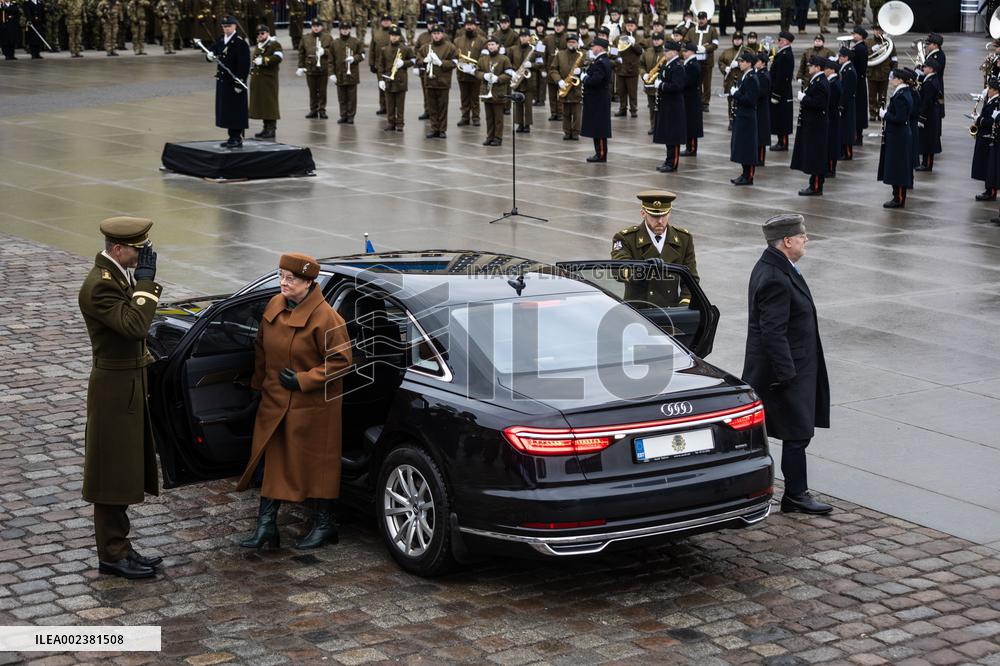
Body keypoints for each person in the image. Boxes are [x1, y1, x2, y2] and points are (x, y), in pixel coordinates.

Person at [236, 253, 352, 551]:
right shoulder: (275, 304)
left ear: (309, 283)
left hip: (312, 406)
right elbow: (261, 347)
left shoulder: (327, 318)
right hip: (275, 399)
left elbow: (341, 361)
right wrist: (257, 384)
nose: (283, 283)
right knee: (272, 458)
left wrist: (304, 380)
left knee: (316, 466)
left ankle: (325, 525)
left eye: (291, 279)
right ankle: (266, 526)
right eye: (281, 277)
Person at [78, 217, 165, 579]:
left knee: (124, 468)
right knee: (111, 473)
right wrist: (146, 282)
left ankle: (121, 547)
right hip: (114, 390)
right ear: (117, 248)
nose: (141, 255)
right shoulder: (100, 286)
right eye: (136, 249)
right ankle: (112, 555)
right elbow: (134, 325)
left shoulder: (116, 276)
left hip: (126, 383)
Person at [743, 214, 831, 516]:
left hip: (792, 368)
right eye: (802, 235)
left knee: (796, 432)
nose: (806, 239)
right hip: (785, 374)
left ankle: (793, 491)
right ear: (787, 241)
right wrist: (788, 376)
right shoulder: (775, 277)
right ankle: (795, 494)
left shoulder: (778, 267)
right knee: (796, 434)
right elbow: (773, 332)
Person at [611, 190, 698, 307]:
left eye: (664, 215)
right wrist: (643, 270)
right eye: (654, 216)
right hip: (639, 311)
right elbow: (619, 270)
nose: (660, 221)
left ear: (670, 213)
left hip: (669, 312)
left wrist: (684, 306)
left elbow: (691, 278)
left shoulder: (683, 239)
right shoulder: (626, 238)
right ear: (643, 213)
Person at [207, 16, 250, 147]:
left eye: (229, 26)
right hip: (223, 81)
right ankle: (231, 136)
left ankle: (237, 137)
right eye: (224, 27)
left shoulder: (240, 43)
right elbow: (213, 49)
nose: (226, 29)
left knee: (236, 110)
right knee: (226, 110)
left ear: (235, 26)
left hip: (234, 82)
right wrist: (209, 55)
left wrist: (240, 82)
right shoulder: (221, 40)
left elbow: (244, 65)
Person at [790, 55, 830, 196]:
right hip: (813, 124)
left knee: (816, 156)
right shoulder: (817, 80)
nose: (809, 67)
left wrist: (804, 98)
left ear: (817, 67)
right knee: (813, 155)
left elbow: (820, 103)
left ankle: (816, 186)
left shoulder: (821, 82)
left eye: (811, 65)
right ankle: (813, 184)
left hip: (817, 125)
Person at [877, 68, 915, 208]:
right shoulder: (902, 93)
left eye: (893, 78)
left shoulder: (901, 96)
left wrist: (885, 115)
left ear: (900, 80)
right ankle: (897, 196)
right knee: (897, 166)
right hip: (898, 135)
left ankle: (898, 198)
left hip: (899, 136)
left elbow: (900, 118)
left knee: (898, 168)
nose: (891, 80)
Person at [649, 39, 683, 172]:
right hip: (667, 104)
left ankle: (672, 163)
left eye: (667, 51)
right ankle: (668, 160)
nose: (665, 53)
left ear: (674, 52)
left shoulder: (678, 66)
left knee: (673, 136)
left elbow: (677, 86)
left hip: (674, 106)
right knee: (668, 134)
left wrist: (661, 85)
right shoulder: (668, 64)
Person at [419, 24, 458, 138]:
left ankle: (442, 129)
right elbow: (418, 58)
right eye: (434, 34)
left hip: (443, 82)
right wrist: (424, 61)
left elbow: (455, 62)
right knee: (432, 108)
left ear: (442, 34)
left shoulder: (450, 47)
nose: (436, 36)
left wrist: (441, 63)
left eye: (438, 33)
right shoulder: (426, 47)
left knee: (442, 107)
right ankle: (434, 128)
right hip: (429, 82)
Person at [582, 35, 613, 162]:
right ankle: (598, 153)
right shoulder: (600, 60)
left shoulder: (601, 62)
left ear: (599, 48)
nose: (592, 48)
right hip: (597, 99)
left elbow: (595, 80)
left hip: (598, 99)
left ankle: (601, 154)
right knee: (596, 127)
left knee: (599, 129)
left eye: (594, 46)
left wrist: (584, 78)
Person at [476, 36, 512, 146]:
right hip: (487, 92)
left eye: (493, 44)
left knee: (498, 118)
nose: (491, 47)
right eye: (489, 45)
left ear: (498, 45)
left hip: (499, 91)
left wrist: (499, 78)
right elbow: (477, 72)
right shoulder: (483, 59)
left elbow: (509, 74)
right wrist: (484, 76)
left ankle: (498, 137)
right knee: (489, 117)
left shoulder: (504, 59)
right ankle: (489, 136)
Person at [248, 24, 282, 139]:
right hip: (259, 80)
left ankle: (271, 129)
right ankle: (265, 128)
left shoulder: (274, 44)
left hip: (269, 80)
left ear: (268, 33)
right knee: (263, 105)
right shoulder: (260, 44)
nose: (260, 35)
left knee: (270, 104)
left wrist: (263, 60)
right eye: (258, 34)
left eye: (262, 33)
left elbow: (278, 57)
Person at [729, 51, 758, 185]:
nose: (740, 63)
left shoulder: (752, 78)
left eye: (742, 61)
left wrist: (736, 95)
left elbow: (750, 100)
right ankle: (744, 173)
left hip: (747, 117)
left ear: (749, 63)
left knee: (747, 147)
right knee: (742, 146)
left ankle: (749, 176)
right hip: (742, 115)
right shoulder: (745, 76)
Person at [297, 21, 334, 120]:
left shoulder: (328, 37)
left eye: (318, 26)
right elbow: (301, 53)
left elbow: (333, 51)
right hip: (310, 68)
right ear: (311, 27)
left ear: (321, 27)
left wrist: (324, 51)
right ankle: (313, 110)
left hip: (323, 68)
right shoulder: (306, 38)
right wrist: (300, 66)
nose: (316, 28)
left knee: (322, 91)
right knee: (312, 91)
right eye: (314, 26)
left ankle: (322, 110)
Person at [551, 32, 584, 141]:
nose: (571, 44)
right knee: (565, 112)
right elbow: (553, 69)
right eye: (569, 42)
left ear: (577, 43)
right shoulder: (560, 54)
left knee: (577, 113)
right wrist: (558, 80)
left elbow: (589, 67)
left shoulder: (581, 54)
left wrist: (582, 71)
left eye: (574, 42)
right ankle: (567, 131)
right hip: (564, 86)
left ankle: (575, 132)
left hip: (577, 88)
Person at [455, 16, 487, 127]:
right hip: (462, 73)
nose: (469, 27)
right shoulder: (458, 40)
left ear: (475, 26)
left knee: (475, 97)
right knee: (464, 97)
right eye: (467, 25)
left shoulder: (482, 40)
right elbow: (455, 55)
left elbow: (484, 57)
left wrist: (476, 67)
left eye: (471, 24)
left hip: (475, 74)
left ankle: (476, 117)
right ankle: (465, 117)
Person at [972, 78, 1000, 202]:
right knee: (986, 164)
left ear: (995, 90)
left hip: (990, 137)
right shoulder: (990, 100)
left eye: (989, 88)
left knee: (991, 166)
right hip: (984, 136)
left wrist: (979, 120)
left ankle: (991, 191)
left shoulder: (997, 103)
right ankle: (988, 189)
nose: (987, 90)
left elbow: (993, 121)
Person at [330, 21, 364, 124]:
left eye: (347, 29)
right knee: (342, 97)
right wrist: (331, 73)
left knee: (352, 98)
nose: (345, 30)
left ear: (350, 29)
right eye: (343, 29)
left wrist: (354, 58)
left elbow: (362, 55)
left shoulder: (356, 42)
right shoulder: (334, 43)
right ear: (340, 30)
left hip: (352, 74)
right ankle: (343, 115)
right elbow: (330, 60)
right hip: (339, 74)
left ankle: (351, 116)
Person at [685, 11, 718, 111]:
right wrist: (695, 47)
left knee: (707, 83)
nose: (701, 20)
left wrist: (706, 48)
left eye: (703, 18)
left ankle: (705, 103)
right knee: (696, 82)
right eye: (699, 18)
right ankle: (698, 101)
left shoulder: (712, 30)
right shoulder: (691, 30)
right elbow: (686, 41)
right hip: (695, 60)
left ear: (706, 19)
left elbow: (715, 44)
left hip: (707, 61)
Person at [915, 58, 943, 172]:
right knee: (926, 139)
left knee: (929, 140)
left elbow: (926, 101)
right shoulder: (931, 78)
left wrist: (921, 116)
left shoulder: (930, 83)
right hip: (931, 114)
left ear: (931, 69)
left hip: (929, 115)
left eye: (925, 67)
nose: (923, 68)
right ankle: (925, 162)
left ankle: (927, 164)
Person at [770, 31, 794, 151]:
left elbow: (782, 77)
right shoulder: (782, 54)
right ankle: (780, 141)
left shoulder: (786, 55)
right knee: (779, 117)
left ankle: (783, 143)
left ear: (786, 42)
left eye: (780, 40)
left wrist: (776, 94)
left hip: (782, 92)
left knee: (783, 118)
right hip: (780, 90)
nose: (778, 42)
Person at [613, 16, 641, 118]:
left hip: (632, 69)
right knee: (621, 91)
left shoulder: (638, 38)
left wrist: (633, 43)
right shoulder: (620, 37)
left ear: (635, 26)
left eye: (632, 25)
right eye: (628, 25)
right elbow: (613, 49)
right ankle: (622, 109)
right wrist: (616, 57)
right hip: (621, 69)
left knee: (632, 91)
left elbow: (640, 51)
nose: (629, 27)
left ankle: (633, 110)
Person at [508, 29, 535, 134]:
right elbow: (508, 62)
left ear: (529, 37)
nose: (524, 38)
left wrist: (532, 65)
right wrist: (511, 71)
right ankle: (519, 124)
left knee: (528, 104)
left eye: (526, 36)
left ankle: (527, 124)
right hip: (517, 78)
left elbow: (541, 63)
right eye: (522, 36)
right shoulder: (513, 49)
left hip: (528, 80)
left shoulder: (534, 49)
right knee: (518, 103)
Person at [866, 23, 894, 121]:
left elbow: (894, 58)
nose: (878, 32)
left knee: (883, 96)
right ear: (873, 31)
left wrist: (893, 71)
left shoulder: (888, 42)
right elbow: (864, 55)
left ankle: (881, 112)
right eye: (876, 30)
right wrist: (871, 50)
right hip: (872, 72)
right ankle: (873, 113)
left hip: (884, 72)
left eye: (879, 30)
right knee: (872, 95)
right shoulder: (868, 42)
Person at [543, 18, 569, 121]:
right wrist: (543, 68)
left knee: (561, 93)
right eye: (556, 25)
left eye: (560, 25)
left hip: (562, 69)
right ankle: (553, 112)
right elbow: (543, 54)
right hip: (551, 69)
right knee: (552, 94)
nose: (558, 27)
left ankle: (561, 112)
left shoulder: (567, 38)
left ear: (563, 26)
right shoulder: (548, 38)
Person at [368, 14, 393, 116]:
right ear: (381, 22)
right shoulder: (376, 33)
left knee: (392, 87)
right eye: (384, 20)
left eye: (388, 20)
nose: (386, 22)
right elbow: (372, 50)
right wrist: (371, 64)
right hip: (380, 65)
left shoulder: (395, 32)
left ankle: (391, 107)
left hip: (392, 65)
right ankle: (383, 106)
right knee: (382, 87)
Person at [640, 32, 664, 135]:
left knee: (663, 107)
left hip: (662, 85)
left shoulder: (665, 52)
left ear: (662, 40)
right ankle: (653, 126)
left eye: (658, 39)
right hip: (650, 85)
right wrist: (643, 74)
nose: (656, 41)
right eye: (654, 39)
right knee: (652, 107)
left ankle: (663, 126)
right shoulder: (647, 52)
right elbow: (641, 65)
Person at [680, 41, 702, 156]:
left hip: (691, 98)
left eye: (685, 51)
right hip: (688, 98)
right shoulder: (689, 63)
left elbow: (688, 82)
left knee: (692, 124)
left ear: (692, 52)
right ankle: (689, 147)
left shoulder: (693, 65)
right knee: (688, 123)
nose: (683, 53)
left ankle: (692, 148)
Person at [719, 31, 744, 130]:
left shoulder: (746, 51)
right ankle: (731, 121)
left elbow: (752, 61)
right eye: (736, 39)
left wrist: (738, 64)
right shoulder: (726, 51)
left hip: (741, 79)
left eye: (739, 39)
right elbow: (720, 61)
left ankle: (740, 120)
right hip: (730, 80)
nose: (737, 41)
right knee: (731, 101)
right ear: (732, 40)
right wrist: (724, 68)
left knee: (741, 101)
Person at [837, 47, 857, 160]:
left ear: (846, 58)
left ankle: (848, 153)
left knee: (847, 129)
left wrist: (841, 104)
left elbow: (847, 91)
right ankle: (843, 151)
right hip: (845, 103)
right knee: (843, 128)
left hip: (847, 104)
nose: (838, 58)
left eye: (840, 56)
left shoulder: (849, 71)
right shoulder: (844, 68)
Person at [850, 25, 869, 145]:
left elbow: (859, 67)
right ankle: (857, 135)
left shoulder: (860, 49)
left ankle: (858, 136)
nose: (853, 35)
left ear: (860, 36)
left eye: (855, 34)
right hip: (858, 82)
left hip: (858, 82)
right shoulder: (857, 48)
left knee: (858, 108)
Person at [823, 58, 840, 178]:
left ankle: (830, 168)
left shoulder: (834, 84)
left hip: (832, 118)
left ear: (832, 70)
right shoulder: (832, 82)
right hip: (832, 117)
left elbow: (831, 102)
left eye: (826, 69)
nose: (824, 71)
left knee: (831, 144)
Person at [754, 54, 770, 167]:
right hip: (758, 107)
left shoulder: (763, 75)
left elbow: (762, 92)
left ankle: (760, 158)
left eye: (757, 61)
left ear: (763, 63)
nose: (756, 63)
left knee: (761, 136)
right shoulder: (759, 74)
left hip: (761, 108)